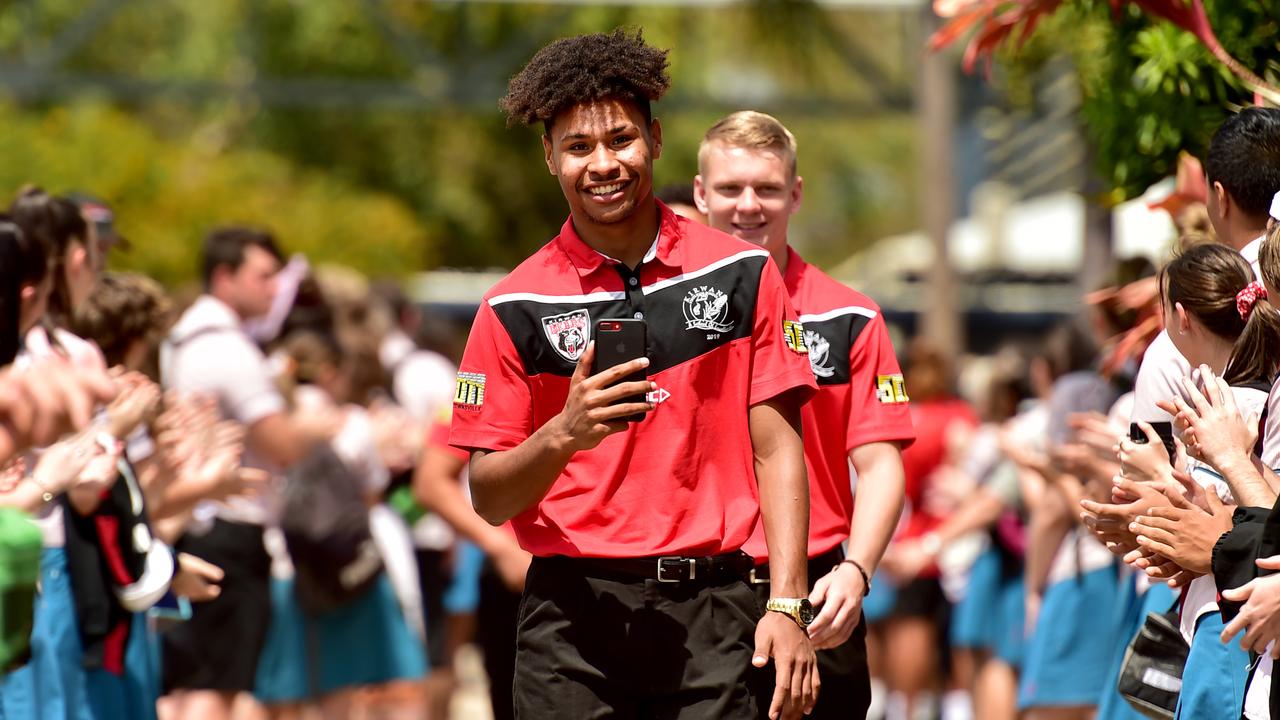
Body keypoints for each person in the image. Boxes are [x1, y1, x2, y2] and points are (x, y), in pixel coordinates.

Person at [449, 29, 819, 720]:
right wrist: (565, 432)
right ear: (549, 156)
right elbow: (489, 497)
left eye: (620, 139)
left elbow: (778, 449)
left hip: (717, 610)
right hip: (570, 619)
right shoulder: (511, 305)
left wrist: (788, 604)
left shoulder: (743, 273)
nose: (603, 163)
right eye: (579, 146)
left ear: (653, 138)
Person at [692, 110, 914, 720]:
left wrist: (857, 571)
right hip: (692, 587)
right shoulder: (664, 316)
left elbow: (881, 465)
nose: (748, 205)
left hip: (818, 589)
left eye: (766, 189)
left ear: (795, 195)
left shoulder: (851, 318)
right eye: (731, 188)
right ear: (700, 193)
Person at [159, 227, 333, 720]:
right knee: (217, 687)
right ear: (223, 276)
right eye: (263, 275)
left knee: (193, 681)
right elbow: (280, 446)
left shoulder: (186, 336)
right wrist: (322, 425)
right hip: (227, 528)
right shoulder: (226, 347)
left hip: (196, 519)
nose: (275, 287)